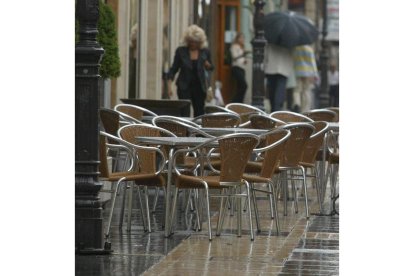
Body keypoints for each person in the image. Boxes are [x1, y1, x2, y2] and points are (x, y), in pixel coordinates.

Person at [167, 25, 214, 117]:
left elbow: (212, 67)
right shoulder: (181, 51)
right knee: (184, 112)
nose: (193, 44)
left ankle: (197, 131)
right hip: (184, 86)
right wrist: (169, 85)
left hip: (200, 87)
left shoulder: (205, 51)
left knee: (199, 112)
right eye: (191, 41)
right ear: (187, 40)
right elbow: (174, 68)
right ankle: (184, 130)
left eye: (195, 42)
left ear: (200, 42)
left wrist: (208, 65)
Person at [264, 44, 294, 112]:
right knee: (279, 91)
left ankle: (274, 109)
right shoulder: (289, 40)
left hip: (271, 67)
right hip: (283, 68)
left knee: (272, 90)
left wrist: (265, 65)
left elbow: (266, 52)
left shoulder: (272, 38)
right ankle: (276, 109)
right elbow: (291, 55)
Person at [292, 45, 318, 112]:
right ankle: (305, 110)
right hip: (308, 73)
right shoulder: (309, 49)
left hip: (298, 71)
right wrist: (315, 74)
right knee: (306, 91)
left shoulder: (296, 48)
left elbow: (293, 60)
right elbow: (313, 62)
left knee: (297, 90)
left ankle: (297, 103)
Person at [230, 33, 248, 103]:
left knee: (240, 86)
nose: (242, 40)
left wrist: (244, 60)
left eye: (243, 38)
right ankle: (234, 101)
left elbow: (242, 59)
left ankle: (239, 103)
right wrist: (242, 55)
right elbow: (234, 57)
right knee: (244, 85)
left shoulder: (242, 47)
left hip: (242, 68)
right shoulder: (234, 46)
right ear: (237, 39)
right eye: (241, 38)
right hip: (236, 68)